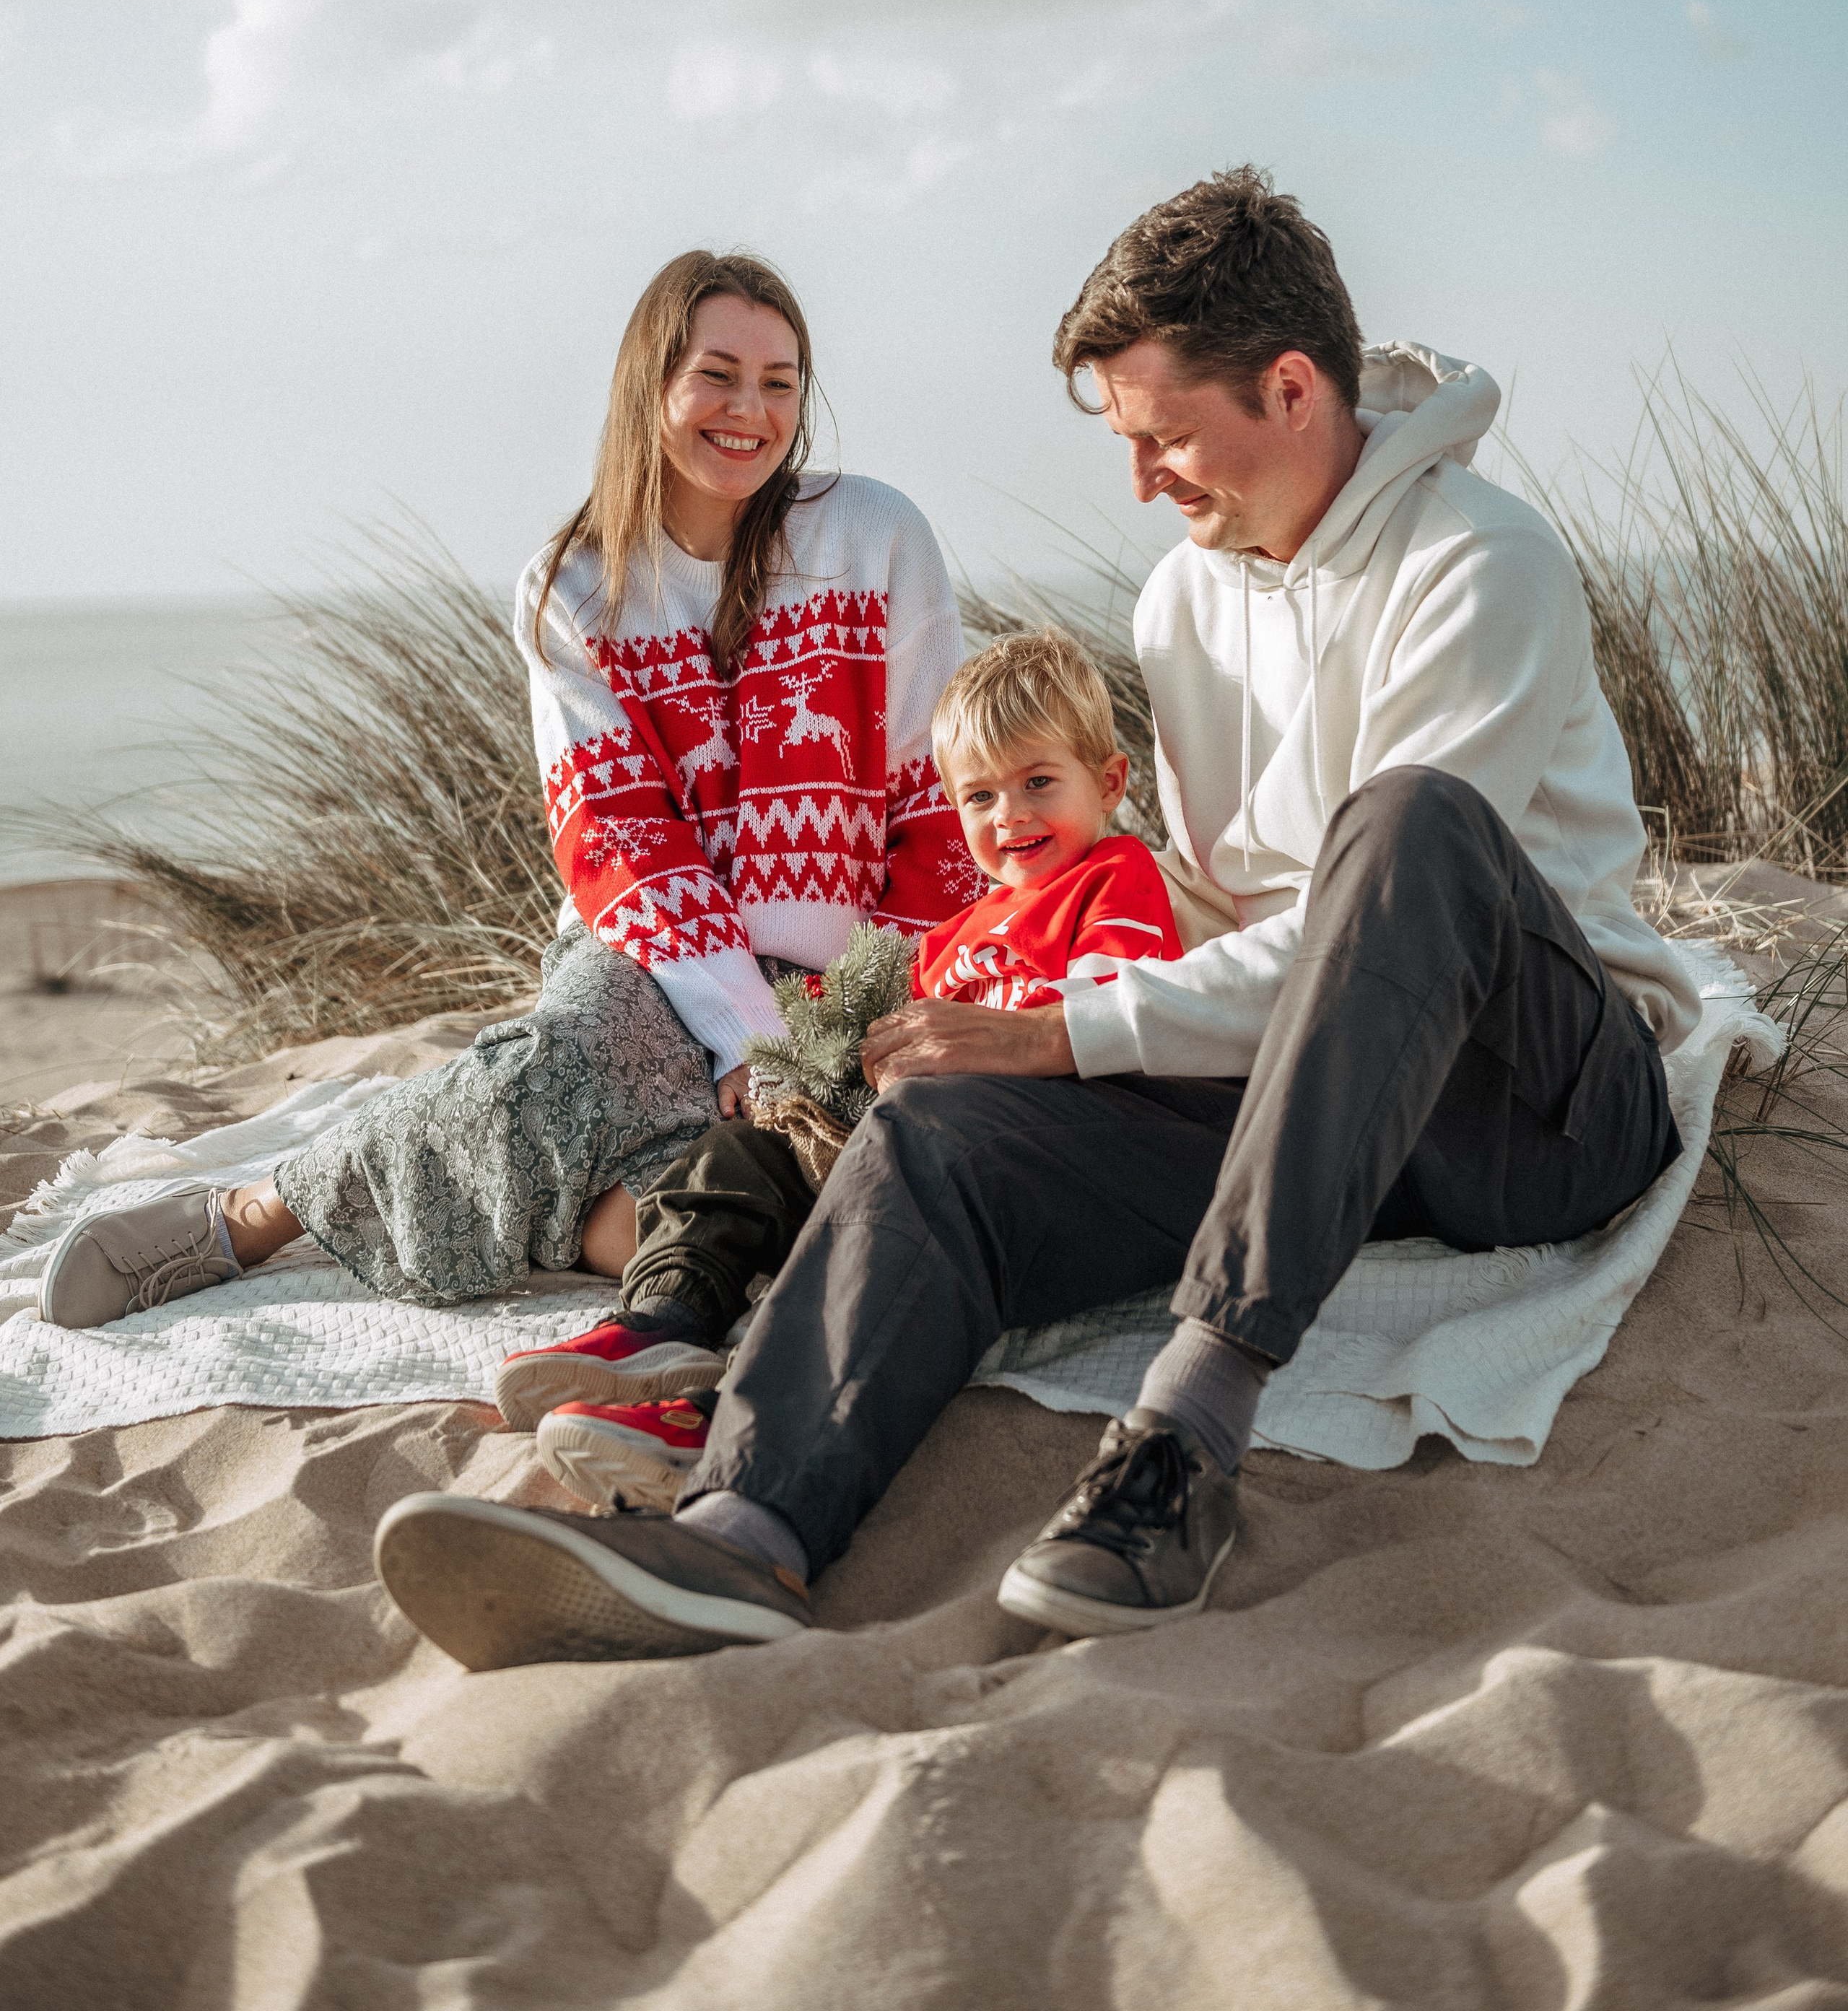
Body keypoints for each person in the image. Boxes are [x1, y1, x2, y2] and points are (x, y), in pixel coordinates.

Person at [372, 168, 1704, 1670]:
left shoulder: (1479, 563)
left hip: (1531, 1104)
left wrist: (1068, 1029)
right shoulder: (1182, 602)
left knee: (1406, 824)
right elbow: (1215, 900)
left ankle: (1183, 1436)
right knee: (944, 1123)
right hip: (1305, 1104)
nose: (1140, 482)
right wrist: (1017, 1017)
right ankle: (744, 1532)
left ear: (1288, 387)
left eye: (1163, 437)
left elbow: (1382, 919)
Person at [38, 250, 975, 1334]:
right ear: (650, 386)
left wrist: (869, 1005)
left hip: (848, 977)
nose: (751, 411)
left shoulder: (875, 536)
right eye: (717, 376)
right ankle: (254, 1214)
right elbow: (621, 840)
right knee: (558, 1072)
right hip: (654, 956)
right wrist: (744, 1033)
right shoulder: (575, 584)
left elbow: (940, 799)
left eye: (779, 382)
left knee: (803, 1183)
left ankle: (589, 1230)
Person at [512, 628, 1183, 1512]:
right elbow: (875, 1009)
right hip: (900, 1132)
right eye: (980, 795)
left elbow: (1108, 1006)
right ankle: (665, 1316)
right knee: (735, 1158)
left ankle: (729, 1413)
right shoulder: (957, 931)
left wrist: (1003, 1035)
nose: (1010, 816)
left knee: (864, 1235)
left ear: (1111, 782)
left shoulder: (1114, 879)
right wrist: (810, 1040)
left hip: (1020, 1136)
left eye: (1038, 782)